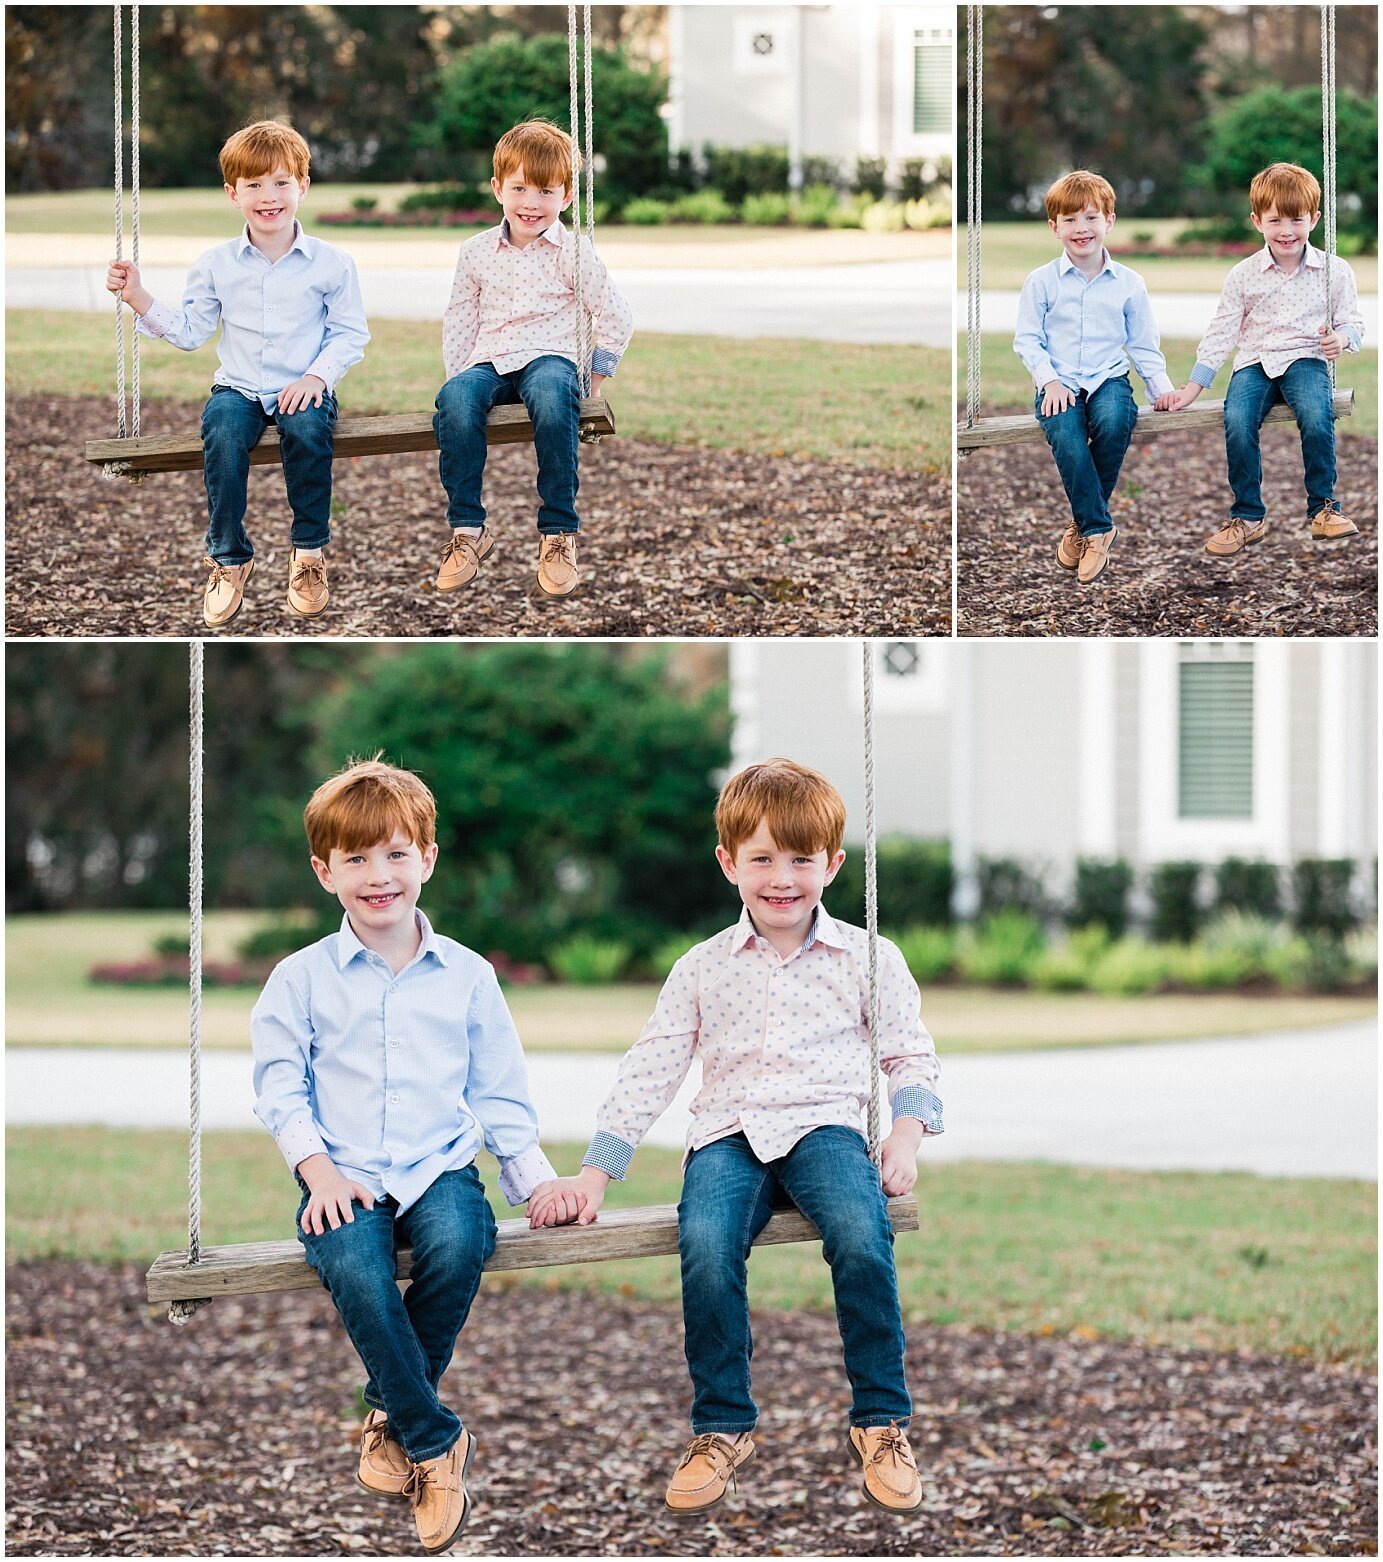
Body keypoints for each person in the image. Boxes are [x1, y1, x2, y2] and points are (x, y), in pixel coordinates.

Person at [527, 758, 943, 1515]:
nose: (781, 878)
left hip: (825, 1129)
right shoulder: (701, 968)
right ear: (728, 864)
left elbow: (909, 1054)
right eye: (760, 859)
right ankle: (722, 1425)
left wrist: (904, 1139)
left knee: (858, 1230)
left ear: (833, 864)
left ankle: (881, 1420)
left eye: (799, 860)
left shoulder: (868, 957)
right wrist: (595, 1174)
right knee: (707, 1243)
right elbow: (651, 1066)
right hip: (729, 1135)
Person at [251, 758, 581, 1554]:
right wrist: (316, 1170)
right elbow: (277, 1086)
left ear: (427, 860)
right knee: (358, 1268)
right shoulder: (298, 979)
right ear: (324, 871)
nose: (378, 876)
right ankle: (436, 1444)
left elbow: (499, 1093)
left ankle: (390, 1413)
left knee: (462, 1238)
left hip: (438, 1168)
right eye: (356, 859)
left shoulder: (467, 976)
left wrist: (533, 1181)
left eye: (396, 854)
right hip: (344, 1175)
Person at [106, 119, 369, 628]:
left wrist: (316, 378)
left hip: (304, 385)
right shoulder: (216, 264)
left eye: (280, 183)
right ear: (233, 193)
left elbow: (349, 334)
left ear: (303, 187)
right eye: (253, 185)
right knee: (223, 433)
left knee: (309, 431)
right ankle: (229, 558)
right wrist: (137, 296)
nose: (268, 196)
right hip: (240, 388)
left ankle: (309, 553)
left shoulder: (332, 263)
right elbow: (188, 331)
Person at [432, 119, 634, 600]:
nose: (531, 203)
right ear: (497, 188)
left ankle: (558, 533)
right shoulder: (476, 252)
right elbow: (459, 318)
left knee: (548, 394)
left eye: (545, 191)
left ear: (565, 196)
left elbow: (616, 316)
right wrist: (459, 379)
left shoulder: (574, 252)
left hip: (552, 358)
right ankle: (468, 530)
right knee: (455, 400)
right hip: (490, 360)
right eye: (519, 188)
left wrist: (595, 384)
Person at [1168, 162, 1363, 555]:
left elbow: (1354, 322)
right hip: (1254, 361)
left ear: (1315, 218)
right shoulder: (1243, 275)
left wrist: (1340, 339)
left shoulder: (1333, 271)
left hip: (1305, 359)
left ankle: (1324, 508)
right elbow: (1221, 333)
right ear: (1257, 221)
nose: (1287, 231)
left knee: (1315, 412)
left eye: (1297, 219)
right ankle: (1248, 516)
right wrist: (1193, 387)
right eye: (1275, 220)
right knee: (1237, 419)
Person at [1013, 170, 1178, 584]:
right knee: (1066, 434)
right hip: (1059, 381)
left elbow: (1142, 344)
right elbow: (1027, 340)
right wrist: (1048, 380)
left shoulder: (1129, 284)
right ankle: (1098, 528)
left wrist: (1162, 389)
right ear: (1055, 227)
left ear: (1109, 220)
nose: (1081, 228)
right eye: (1069, 220)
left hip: (1109, 377)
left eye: (1090, 217)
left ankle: (1083, 522)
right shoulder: (1040, 282)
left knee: (1114, 420)